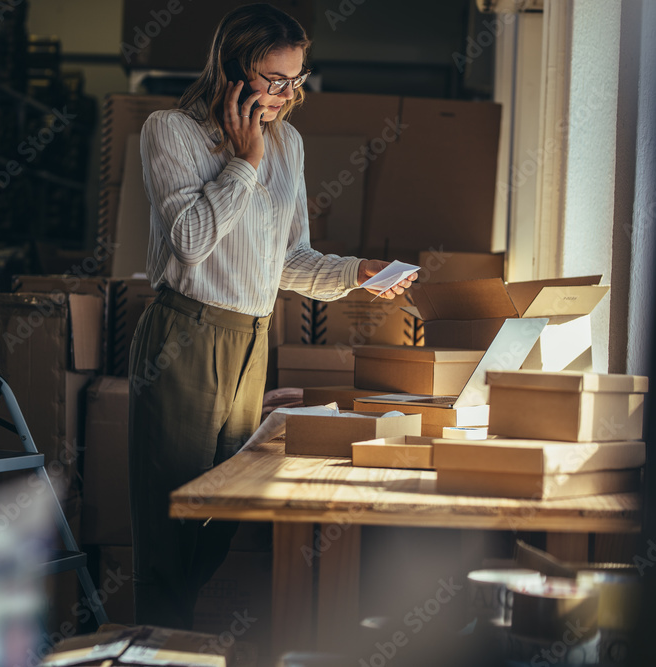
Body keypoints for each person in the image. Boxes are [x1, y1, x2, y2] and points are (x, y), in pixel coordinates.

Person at [127, 3, 417, 630]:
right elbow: (191, 240)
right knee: (172, 519)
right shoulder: (170, 131)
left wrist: (355, 272)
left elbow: (287, 259)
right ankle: (157, 643)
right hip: (187, 334)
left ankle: (180, 636)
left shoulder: (291, 144)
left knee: (224, 512)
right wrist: (245, 160)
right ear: (232, 71)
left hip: (253, 339)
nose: (288, 96)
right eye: (274, 80)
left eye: (297, 80)